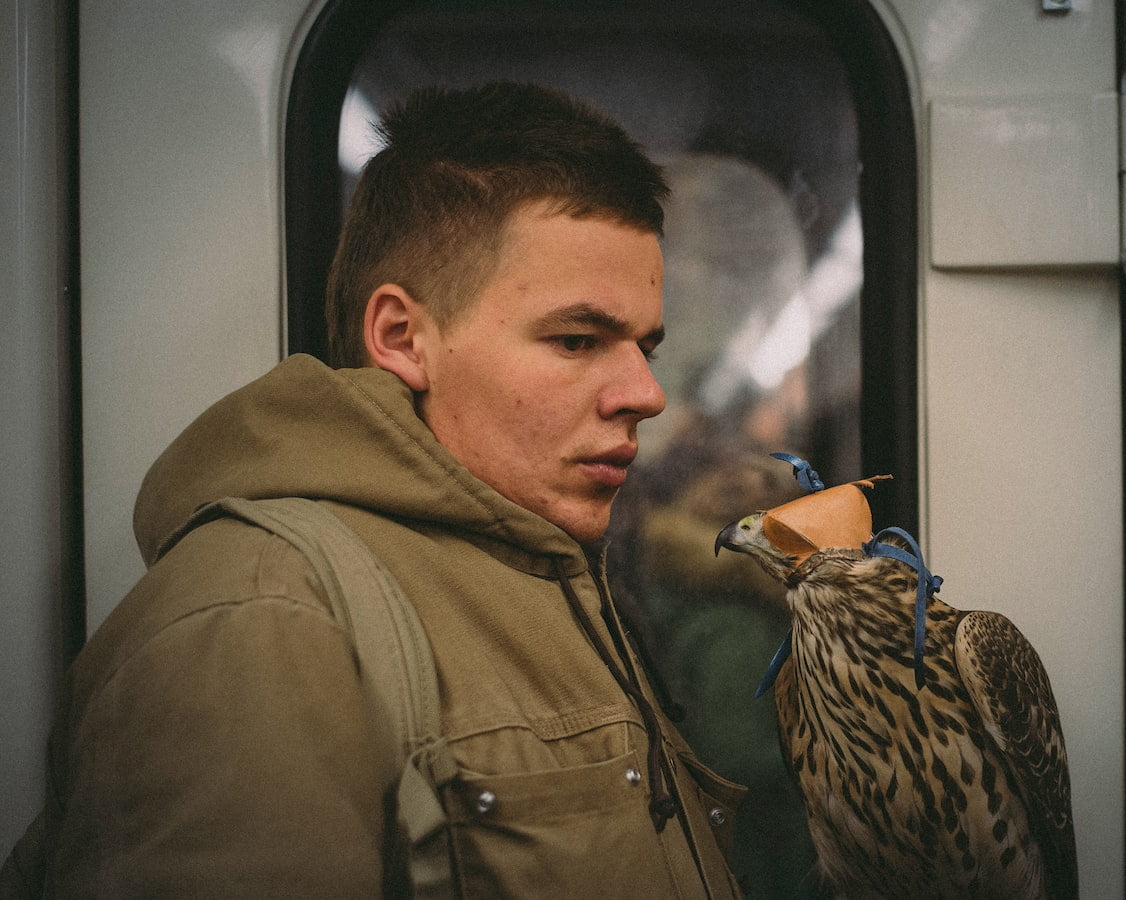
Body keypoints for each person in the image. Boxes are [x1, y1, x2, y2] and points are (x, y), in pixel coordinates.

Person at [6, 82, 745, 896]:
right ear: (402, 337)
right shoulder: (265, 617)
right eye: (577, 339)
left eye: (644, 345)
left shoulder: (552, 575)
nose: (646, 393)